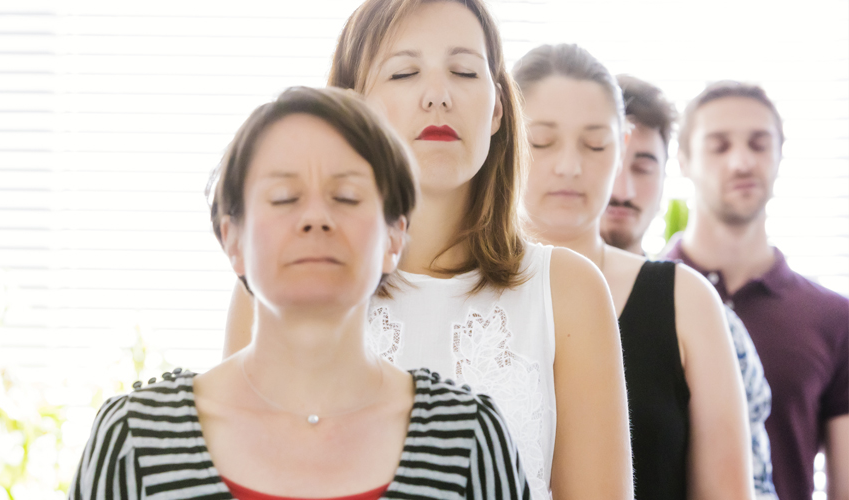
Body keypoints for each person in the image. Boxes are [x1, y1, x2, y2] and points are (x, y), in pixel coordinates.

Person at [222, 2, 634, 499]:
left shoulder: (568, 291)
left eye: (463, 71)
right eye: (404, 72)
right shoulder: (279, 284)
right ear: (352, 109)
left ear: (498, 107)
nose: (438, 96)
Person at [70, 86, 531, 500]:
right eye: (284, 197)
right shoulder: (136, 438)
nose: (315, 218)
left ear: (393, 237)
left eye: (346, 197)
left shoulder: (467, 438)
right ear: (233, 240)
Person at [513, 43, 753, 499]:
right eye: (541, 141)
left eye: (595, 143)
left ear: (621, 146)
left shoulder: (686, 300)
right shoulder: (454, 289)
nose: (569, 166)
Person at [663, 81, 849, 500]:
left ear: (780, 155)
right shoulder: (637, 296)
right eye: (719, 145)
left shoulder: (834, 319)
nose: (742, 161)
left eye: (759, 144)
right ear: (684, 160)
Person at [602, 74, 777, 499]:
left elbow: (751, 485)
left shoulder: (707, 318)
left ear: (669, 174)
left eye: (643, 165)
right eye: (603, 155)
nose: (621, 187)